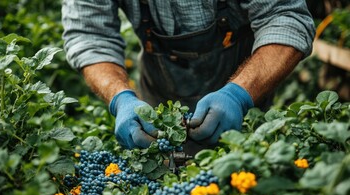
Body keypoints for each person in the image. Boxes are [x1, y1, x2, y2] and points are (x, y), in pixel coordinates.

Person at [62, 0, 315, 153]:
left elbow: (285, 17)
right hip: (158, 90)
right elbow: (90, 36)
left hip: (247, 94)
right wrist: (121, 99)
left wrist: (238, 95)